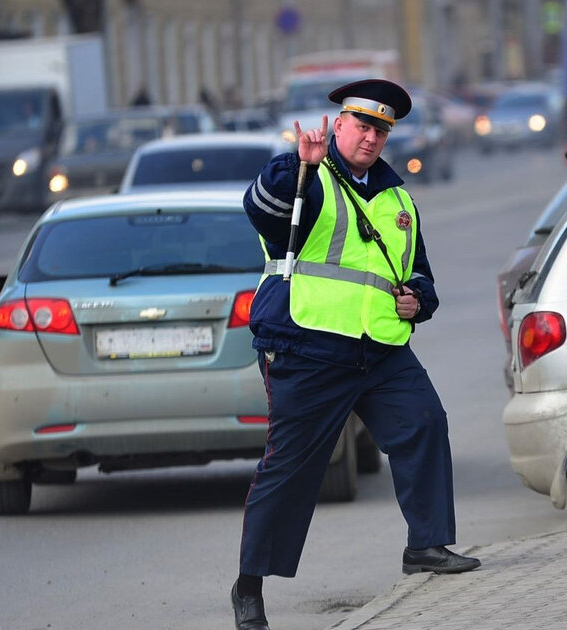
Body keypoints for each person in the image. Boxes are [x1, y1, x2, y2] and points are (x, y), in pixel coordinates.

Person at [233, 78, 479, 630]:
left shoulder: (398, 199)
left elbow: (419, 272)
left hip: (382, 349)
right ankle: (249, 587)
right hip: (309, 344)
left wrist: (420, 301)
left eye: (380, 130)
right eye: (361, 126)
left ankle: (427, 546)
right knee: (290, 469)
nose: (370, 137)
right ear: (339, 125)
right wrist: (298, 166)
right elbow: (262, 210)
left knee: (424, 423)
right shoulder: (308, 179)